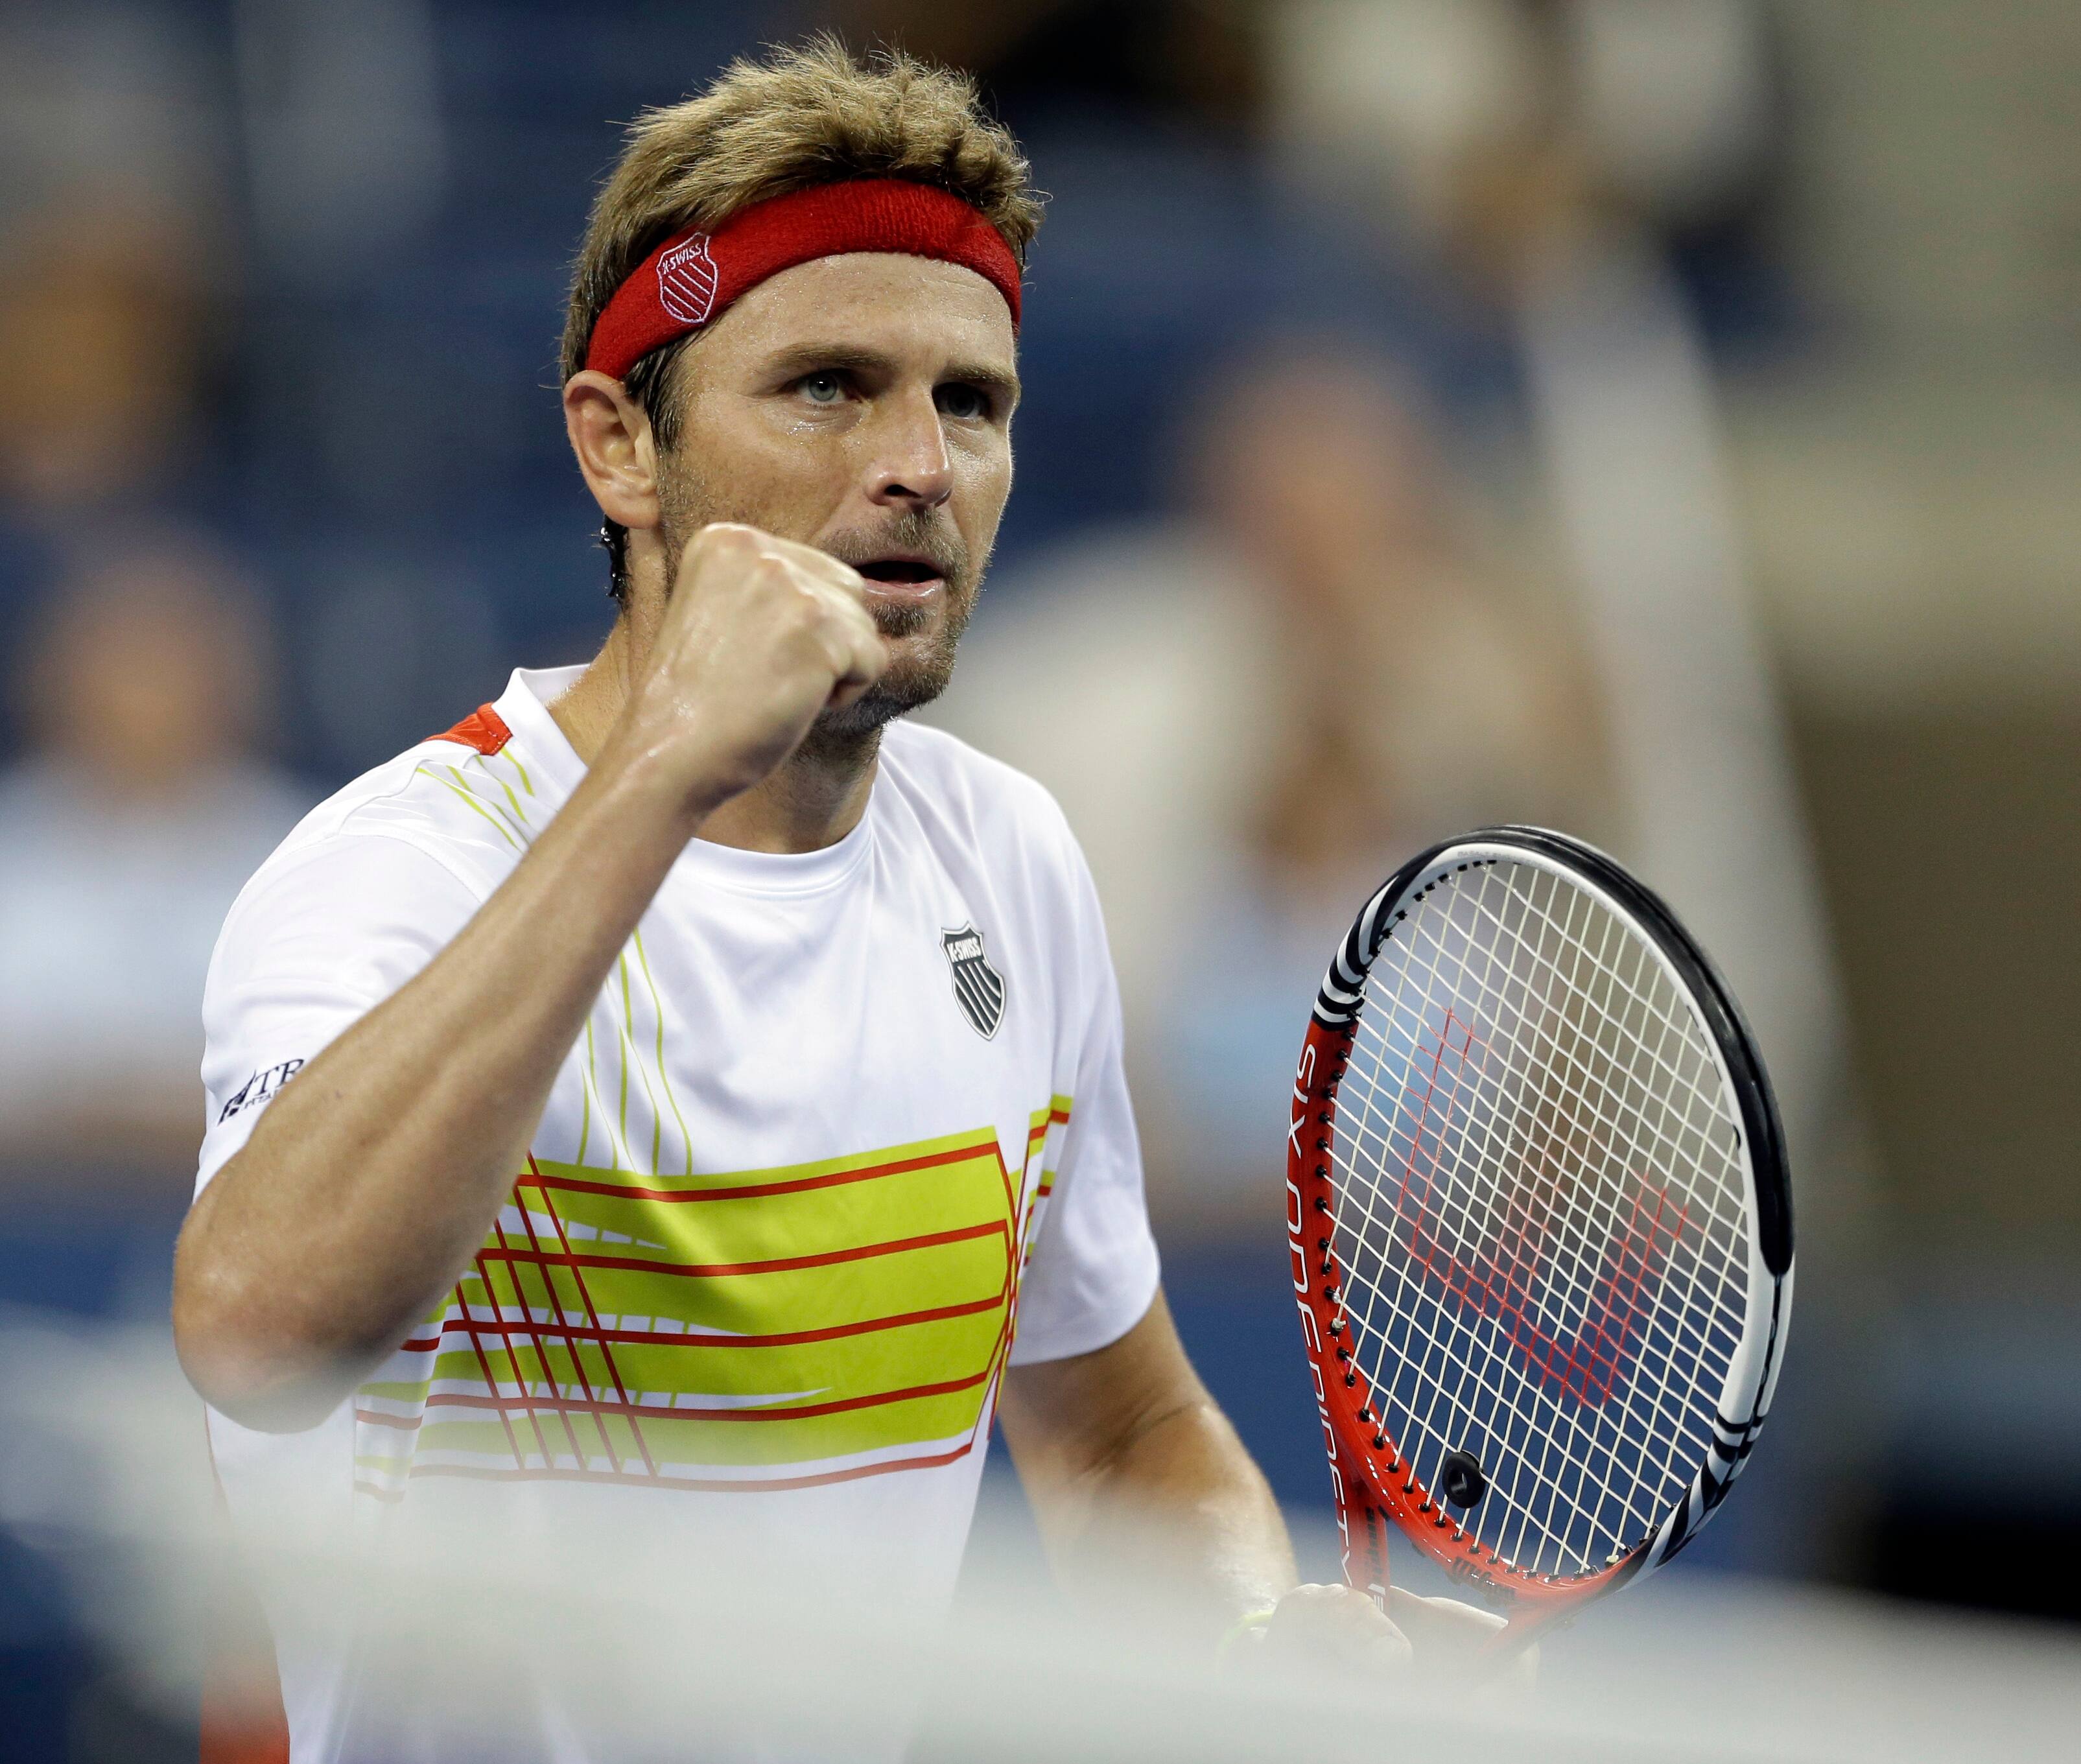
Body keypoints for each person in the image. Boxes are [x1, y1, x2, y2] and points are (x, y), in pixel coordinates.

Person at [169, 40, 1496, 1764]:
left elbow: (1113, 1428)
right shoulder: (397, 868)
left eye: (972, 402)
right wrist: (661, 773)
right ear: (618, 450)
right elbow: (255, 1323)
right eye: (825, 386)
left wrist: (1249, 1641)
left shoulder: (1009, 858)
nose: (921, 463)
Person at [0, 538, 308, 1188]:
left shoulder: (312, 850)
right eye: (121, 658)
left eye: (175, 658)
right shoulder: (14, 844)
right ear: (52, 674)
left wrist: (81, 1107)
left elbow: (329, 1089)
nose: (147, 689)